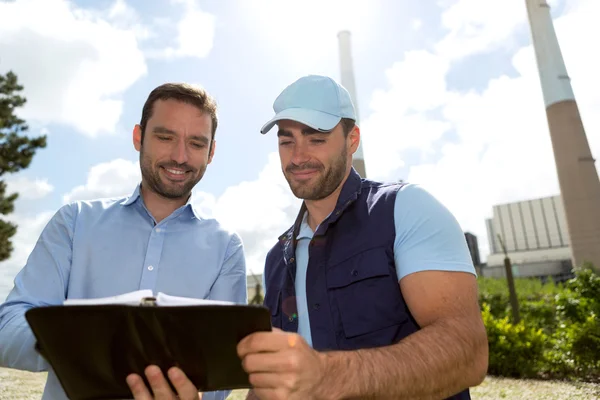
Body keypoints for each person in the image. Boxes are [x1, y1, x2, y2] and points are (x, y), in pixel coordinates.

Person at [126, 75, 489, 400]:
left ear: (352, 140)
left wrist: (329, 376)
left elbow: (467, 352)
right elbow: (270, 386)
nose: (299, 157)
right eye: (287, 141)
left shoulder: (405, 209)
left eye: (316, 139)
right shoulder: (278, 258)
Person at [0, 83, 247, 400]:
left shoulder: (227, 248)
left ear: (211, 153)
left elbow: (221, 368)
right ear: (138, 137)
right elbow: (7, 327)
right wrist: (84, 345)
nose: (180, 156)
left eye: (196, 143)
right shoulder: (74, 223)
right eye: (165, 137)